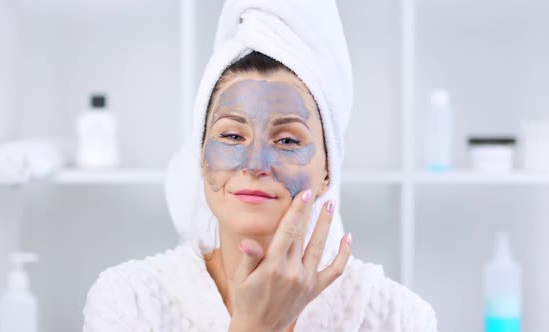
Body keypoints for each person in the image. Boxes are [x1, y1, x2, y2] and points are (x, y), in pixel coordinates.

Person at [83, 1, 438, 331]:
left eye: (287, 141)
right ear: (201, 155)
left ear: (329, 168)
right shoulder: (129, 303)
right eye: (233, 137)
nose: (255, 165)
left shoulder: (398, 317)